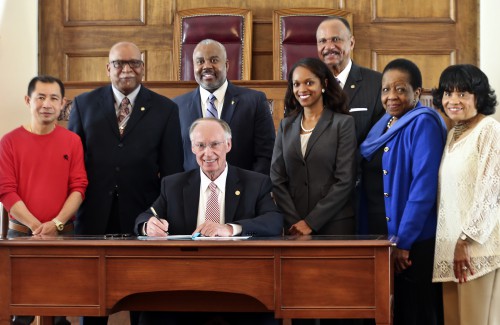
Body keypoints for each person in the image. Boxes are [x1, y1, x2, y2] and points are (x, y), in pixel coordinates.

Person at [68, 41, 184, 325]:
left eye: (134, 63)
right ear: (108, 68)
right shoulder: (83, 104)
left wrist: (164, 216)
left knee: (143, 296)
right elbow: (72, 164)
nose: (126, 69)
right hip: (93, 214)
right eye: (119, 63)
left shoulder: (165, 109)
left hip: (143, 215)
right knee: (93, 300)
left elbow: (172, 171)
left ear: (143, 68)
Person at [135, 118, 283, 325]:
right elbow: (145, 216)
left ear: (228, 145)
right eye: (200, 145)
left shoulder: (255, 182)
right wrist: (147, 225)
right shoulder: (173, 185)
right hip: (185, 285)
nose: (208, 153)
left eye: (215, 144)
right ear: (192, 148)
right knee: (150, 318)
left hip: (240, 285)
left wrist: (230, 229)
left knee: (266, 317)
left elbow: (274, 221)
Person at [359, 58, 447, 325]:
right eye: (386, 89)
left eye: (400, 89)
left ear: (417, 93)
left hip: (411, 243)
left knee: (414, 312)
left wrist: (403, 243)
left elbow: (423, 189)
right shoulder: (383, 123)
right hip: (380, 238)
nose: (391, 96)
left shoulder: (424, 123)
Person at [0, 75, 87, 325]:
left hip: (63, 234)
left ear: (63, 104)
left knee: (58, 308)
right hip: (20, 236)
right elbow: (6, 190)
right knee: (22, 308)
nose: (46, 104)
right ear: (28, 101)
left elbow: (79, 187)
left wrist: (56, 224)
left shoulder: (72, 141)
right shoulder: (9, 142)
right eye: (40, 97)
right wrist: (37, 227)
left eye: (53, 98)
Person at [432, 64, 500, 325]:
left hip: (475, 248)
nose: (453, 100)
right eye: (448, 93)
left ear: (478, 97)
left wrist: (465, 240)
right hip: (451, 248)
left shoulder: (489, 130)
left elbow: (490, 191)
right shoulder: (454, 135)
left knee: (476, 321)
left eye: (463, 93)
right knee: (454, 320)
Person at [271, 57, 357, 237]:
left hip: (335, 223)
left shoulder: (343, 123)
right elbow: (277, 178)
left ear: (324, 83)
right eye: (296, 84)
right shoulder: (286, 125)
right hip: (293, 225)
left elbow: (345, 180)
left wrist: (311, 222)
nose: (302, 89)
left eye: (309, 82)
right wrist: (295, 221)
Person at [173, 39, 276, 175]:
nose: (206, 66)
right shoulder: (177, 106)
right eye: (200, 61)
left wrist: (251, 190)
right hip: (192, 192)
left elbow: (266, 155)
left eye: (214, 60)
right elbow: (173, 159)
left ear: (226, 65)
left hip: (242, 191)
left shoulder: (254, 102)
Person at [316, 16, 384, 144]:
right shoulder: (308, 85)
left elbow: (379, 140)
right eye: (322, 41)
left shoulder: (377, 83)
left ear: (351, 43)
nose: (329, 46)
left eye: (335, 39)